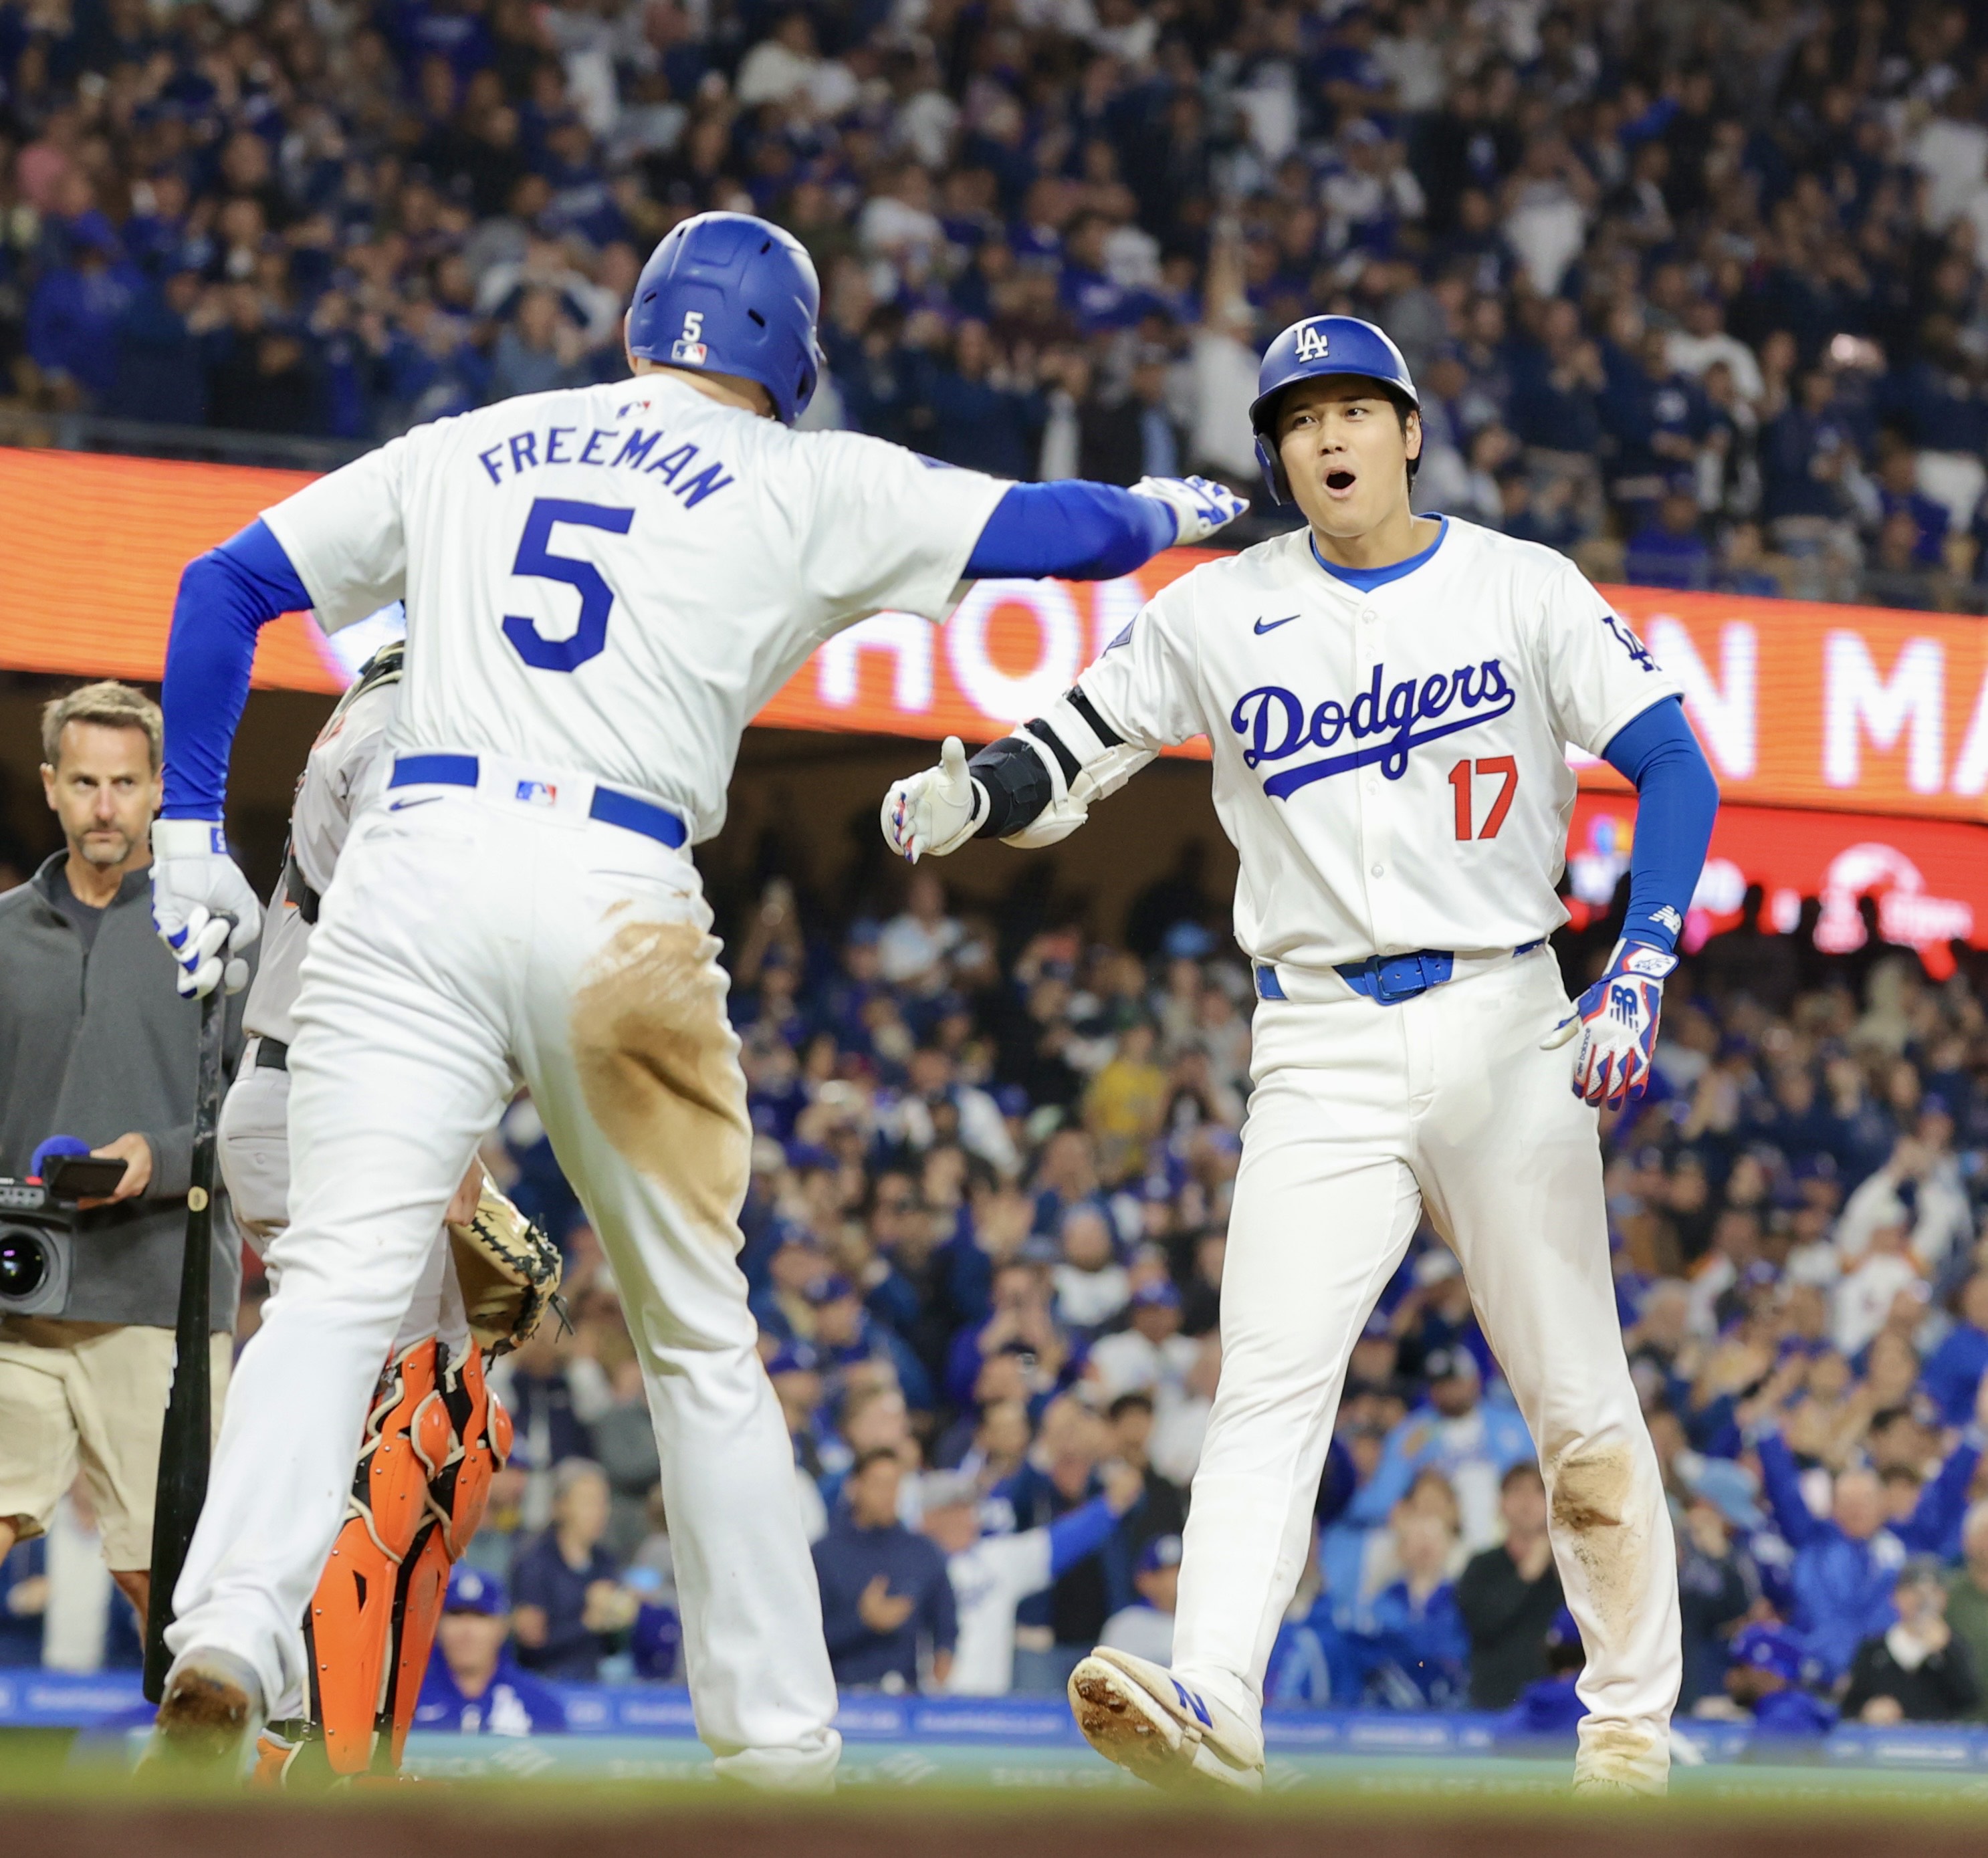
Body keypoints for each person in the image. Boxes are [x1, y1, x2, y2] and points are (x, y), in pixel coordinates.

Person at [144, 209, 1243, 1781]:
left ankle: (227, 1628)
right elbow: (1048, 535)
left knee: (330, 1283)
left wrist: (194, 831)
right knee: (697, 1340)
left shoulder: (477, 437)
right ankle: (777, 1748)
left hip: (416, 863)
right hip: (614, 886)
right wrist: (1169, 504)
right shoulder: (807, 474)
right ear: (788, 359)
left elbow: (220, 584)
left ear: (640, 325)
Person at [883, 313, 1718, 1792]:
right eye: (1296, 420)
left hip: (1504, 1013)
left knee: (1576, 1395)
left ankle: (1628, 1726)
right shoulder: (1218, 610)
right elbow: (1075, 739)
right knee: (1266, 1381)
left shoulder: (1518, 585)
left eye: (1352, 409)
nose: (1326, 437)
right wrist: (980, 798)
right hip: (1318, 1034)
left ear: (1407, 430)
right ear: (1273, 455)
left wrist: (1640, 955)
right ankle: (1214, 1693)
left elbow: (1671, 763)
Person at [221, 640, 532, 1783]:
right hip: (342, 1095)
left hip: (317, 1092)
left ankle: (324, 1739)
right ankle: (326, 1757)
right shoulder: (417, 720)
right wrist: (446, 1121)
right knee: (410, 1431)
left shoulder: (389, 692)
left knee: (450, 1433)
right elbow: (394, 940)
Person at [0, 683, 245, 1643]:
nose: (106, 805)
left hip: (159, 1304)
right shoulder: (4, 934)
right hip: (16, 1301)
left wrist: (163, 1151)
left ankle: (213, 1794)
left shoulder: (220, 932)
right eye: (87, 782)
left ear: (157, 795)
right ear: (53, 787)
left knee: (172, 1593)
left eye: (128, 783)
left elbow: (273, 1117)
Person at [924, 1460, 1143, 1695]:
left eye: (968, 1510)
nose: (968, 1519)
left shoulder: (996, 1559)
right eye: (954, 1511)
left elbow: (1061, 1542)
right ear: (927, 1519)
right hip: (925, 1709)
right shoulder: (910, 1564)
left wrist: (1112, 1505)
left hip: (988, 1710)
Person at [811, 1447, 956, 1690]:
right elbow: (806, 1642)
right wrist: (863, 1621)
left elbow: (946, 1624)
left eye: (894, 1485)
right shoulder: (824, 1555)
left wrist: (942, 1664)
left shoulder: (921, 1552)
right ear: (854, 1487)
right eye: (878, 1484)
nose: (888, 1495)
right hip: (842, 1695)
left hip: (906, 1698)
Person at [510, 1459, 635, 1681]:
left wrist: (623, 1617)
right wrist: (588, 1623)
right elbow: (530, 1647)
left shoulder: (604, 1561)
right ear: (561, 1506)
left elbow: (613, 1647)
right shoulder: (536, 1562)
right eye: (588, 1502)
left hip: (599, 1683)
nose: (598, 1513)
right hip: (548, 1682)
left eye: (603, 1503)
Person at [1457, 1463, 1566, 1710]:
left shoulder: (1571, 1568)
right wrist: (1526, 1575)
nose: (1527, 1501)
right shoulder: (1481, 1566)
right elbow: (1482, 1622)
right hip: (1494, 1702)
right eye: (1516, 1490)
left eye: (1538, 1491)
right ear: (1501, 1504)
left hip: (1557, 1706)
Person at [411, 1566, 568, 1737]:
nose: (467, 1630)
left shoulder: (538, 1703)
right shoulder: (407, 1699)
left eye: (480, 1616)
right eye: (456, 1615)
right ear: (436, 1624)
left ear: (502, 1627)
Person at [1841, 1556, 1981, 1724]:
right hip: (1885, 1744)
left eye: (1930, 1592)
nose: (1920, 1600)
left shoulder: (1954, 1646)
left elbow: (1970, 1699)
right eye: (1911, 1592)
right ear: (1895, 1597)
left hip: (1941, 1743)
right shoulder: (1873, 1650)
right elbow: (1848, 1706)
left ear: (1943, 1598)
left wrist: (1946, 1651)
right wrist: (1868, 1710)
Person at [1100, 1534, 1184, 1669]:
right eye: (1163, 1573)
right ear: (1143, 1580)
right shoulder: (1125, 1625)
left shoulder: (1209, 1620)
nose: (1176, 1578)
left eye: (1180, 1569)